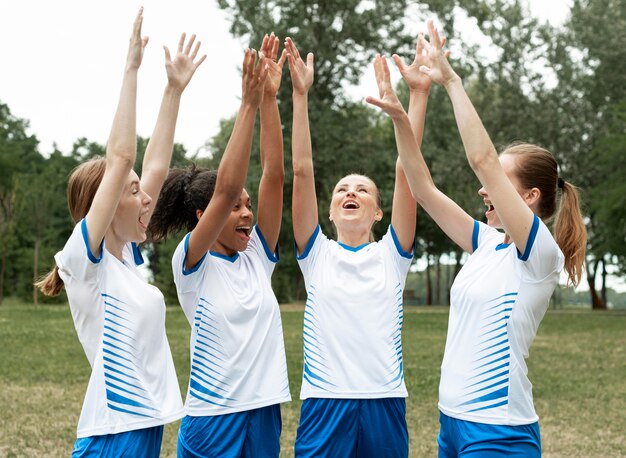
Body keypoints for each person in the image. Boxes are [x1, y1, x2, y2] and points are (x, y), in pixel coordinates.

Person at [366, 20, 587, 457]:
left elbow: (482, 159)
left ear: (529, 196)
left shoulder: (539, 252)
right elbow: (421, 187)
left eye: (500, 182)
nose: (485, 189)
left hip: (499, 431)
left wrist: (450, 80)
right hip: (453, 424)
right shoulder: (487, 243)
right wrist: (403, 115)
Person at [36, 9, 206, 457]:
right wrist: (131, 70)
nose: (147, 198)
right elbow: (124, 157)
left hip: (140, 428)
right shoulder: (83, 262)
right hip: (115, 432)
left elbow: (154, 166)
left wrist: (173, 90)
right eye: (133, 193)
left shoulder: (126, 257)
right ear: (105, 204)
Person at [147, 34, 291, 458]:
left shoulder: (258, 258)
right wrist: (246, 105)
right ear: (202, 217)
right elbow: (226, 189)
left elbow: (274, 177)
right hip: (214, 420)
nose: (246, 212)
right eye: (234, 208)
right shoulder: (192, 263)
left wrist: (267, 98)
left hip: (264, 412)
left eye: (248, 206)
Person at [285, 36, 420, 458]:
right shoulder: (316, 254)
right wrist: (300, 95)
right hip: (325, 401)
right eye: (343, 189)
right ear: (329, 211)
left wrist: (416, 96)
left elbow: (407, 173)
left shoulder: (393, 256)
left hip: (384, 401)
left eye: (362, 190)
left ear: (378, 212)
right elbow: (303, 172)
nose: (351, 192)